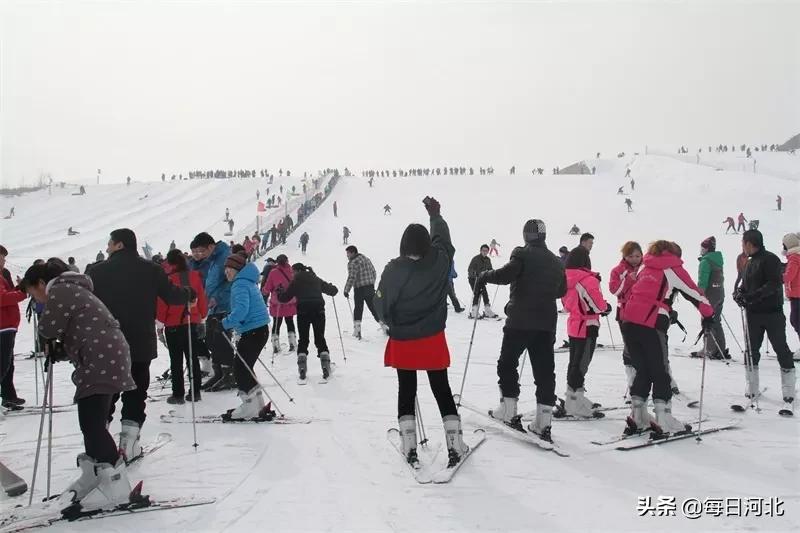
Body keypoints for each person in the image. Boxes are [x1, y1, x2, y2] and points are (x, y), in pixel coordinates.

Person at [23, 259, 138, 512]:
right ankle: (94, 474)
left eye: (34, 294)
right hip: (107, 355)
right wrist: (61, 348)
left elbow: (48, 327)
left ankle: (117, 485)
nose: (38, 301)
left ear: (41, 283)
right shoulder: (74, 288)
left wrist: (50, 341)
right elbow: (83, 328)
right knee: (91, 421)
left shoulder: (60, 289)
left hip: (101, 358)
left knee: (92, 423)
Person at [374, 196, 468, 467]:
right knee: (441, 388)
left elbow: (380, 302)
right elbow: (444, 241)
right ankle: (455, 445)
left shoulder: (394, 269)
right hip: (432, 339)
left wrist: (388, 320)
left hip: (403, 339)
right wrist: (435, 215)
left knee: (406, 388)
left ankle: (409, 445)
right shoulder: (439, 261)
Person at [89, 229, 195, 462]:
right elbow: (173, 296)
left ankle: (100, 444)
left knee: (107, 391)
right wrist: (189, 293)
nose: (106, 247)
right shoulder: (151, 269)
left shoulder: (95, 271)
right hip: (139, 343)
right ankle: (129, 444)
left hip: (107, 343)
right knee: (136, 393)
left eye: (109, 243)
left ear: (118, 245)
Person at [476, 219, 566, 442]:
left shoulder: (522, 254)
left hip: (520, 322)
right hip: (546, 324)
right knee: (545, 372)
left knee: (507, 364)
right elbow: (561, 290)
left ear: (526, 235)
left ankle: (508, 409)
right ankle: (543, 422)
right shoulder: (556, 261)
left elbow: (505, 276)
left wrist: (484, 276)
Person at [621, 241, 714, 436]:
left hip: (628, 321)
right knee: (660, 370)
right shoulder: (672, 268)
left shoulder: (644, 266)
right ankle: (664, 419)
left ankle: (638, 416)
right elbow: (694, 293)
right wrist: (708, 315)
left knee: (642, 369)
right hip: (651, 324)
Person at [734, 230, 796, 414]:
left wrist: (751, 296)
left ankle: (788, 392)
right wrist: (739, 294)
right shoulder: (749, 261)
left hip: (772, 313)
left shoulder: (770, 259)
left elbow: (774, 284)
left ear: (750, 243)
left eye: (743, 242)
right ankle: (751, 387)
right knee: (751, 349)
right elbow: (745, 284)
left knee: (781, 348)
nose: (742, 246)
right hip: (753, 314)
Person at [560, 246, 611, 417]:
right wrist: (605, 307)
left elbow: (565, 305)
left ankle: (574, 397)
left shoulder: (565, 278)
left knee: (574, 361)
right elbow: (597, 305)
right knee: (582, 363)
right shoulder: (588, 279)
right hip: (588, 325)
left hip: (574, 323)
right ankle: (575, 403)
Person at [221, 252, 270, 420]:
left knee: (241, 370)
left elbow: (241, 311)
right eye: (226, 269)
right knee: (246, 368)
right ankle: (257, 404)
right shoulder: (247, 282)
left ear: (238, 270)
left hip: (253, 331)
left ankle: (250, 407)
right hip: (258, 329)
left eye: (230, 269)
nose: (227, 272)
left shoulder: (240, 284)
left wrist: (223, 324)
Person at [156, 249, 208, 404]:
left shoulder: (168, 279)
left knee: (176, 360)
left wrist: (160, 324)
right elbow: (202, 297)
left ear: (170, 263)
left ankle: (178, 394)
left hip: (174, 324)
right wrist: (202, 316)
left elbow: (162, 304)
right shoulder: (195, 276)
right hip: (192, 321)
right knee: (193, 358)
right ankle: (195, 392)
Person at [190, 233, 236, 392]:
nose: (200, 254)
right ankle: (219, 372)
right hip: (212, 306)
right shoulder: (212, 259)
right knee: (211, 340)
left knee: (221, 339)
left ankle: (229, 373)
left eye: (202, 251)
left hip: (223, 305)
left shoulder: (225, 256)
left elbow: (231, 282)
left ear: (210, 246)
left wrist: (217, 297)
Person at [277, 263, 338, 381]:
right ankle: (325, 365)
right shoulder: (315, 278)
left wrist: (280, 292)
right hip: (318, 311)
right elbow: (333, 291)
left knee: (303, 339)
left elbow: (284, 298)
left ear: (297, 271)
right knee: (320, 337)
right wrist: (331, 286)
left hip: (303, 312)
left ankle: (302, 367)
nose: (292, 274)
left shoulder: (295, 282)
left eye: (293, 272)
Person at [609, 241, 643, 397]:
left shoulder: (646, 269)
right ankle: (632, 381)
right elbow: (614, 290)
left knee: (651, 346)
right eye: (631, 256)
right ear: (624, 255)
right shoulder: (618, 270)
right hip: (625, 314)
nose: (635, 259)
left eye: (638, 255)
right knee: (630, 347)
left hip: (645, 313)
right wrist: (629, 279)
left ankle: (665, 378)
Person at [692, 237, 728, 359]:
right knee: (716, 321)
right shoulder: (717, 260)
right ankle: (720, 348)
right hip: (719, 293)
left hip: (710, 295)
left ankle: (709, 349)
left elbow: (703, 281)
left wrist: (699, 295)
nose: (701, 250)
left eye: (703, 248)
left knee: (707, 321)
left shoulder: (706, 261)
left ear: (707, 249)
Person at [0, 245, 27, 410]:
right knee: (3, 364)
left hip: (7, 325)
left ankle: (9, 396)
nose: (4, 261)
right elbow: (2, 298)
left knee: (7, 363)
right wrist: (22, 293)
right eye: (1, 258)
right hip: (3, 325)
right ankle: (8, 396)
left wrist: (18, 289)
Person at [262, 255, 297, 354]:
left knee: (277, 324)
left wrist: (264, 292)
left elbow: (267, 288)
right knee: (290, 322)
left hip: (277, 303)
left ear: (277, 262)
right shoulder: (292, 271)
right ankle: (292, 343)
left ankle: (276, 345)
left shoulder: (273, 272)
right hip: (290, 302)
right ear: (287, 261)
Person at [343, 246, 380, 339]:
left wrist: (346, 290)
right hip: (370, 287)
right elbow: (374, 272)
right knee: (373, 307)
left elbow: (352, 277)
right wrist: (371, 283)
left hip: (359, 289)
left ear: (353, 252)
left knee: (358, 308)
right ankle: (384, 326)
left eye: (348, 253)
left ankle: (357, 331)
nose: (347, 255)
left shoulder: (353, 263)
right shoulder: (366, 259)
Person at [467, 245, 497, 319]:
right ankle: (474, 311)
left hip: (481, 280)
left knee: (485, 294)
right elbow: (470, 269)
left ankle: (487, 310)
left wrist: (495, 274)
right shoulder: (476, 259)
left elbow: (490, 270)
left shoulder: (488, 260)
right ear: (480, 251)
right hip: (473, 279)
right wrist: (474, 273)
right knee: (477, 293)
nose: (484, 252)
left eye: (486, 251)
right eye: (483, 250)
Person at [783, 233, 800, 356]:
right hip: (796, 294)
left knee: (796, 320)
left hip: (797, 294)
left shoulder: (794, 257)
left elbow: (789, 275)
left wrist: (779, 276)